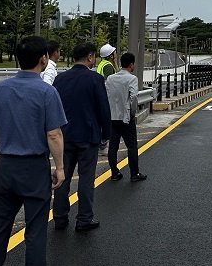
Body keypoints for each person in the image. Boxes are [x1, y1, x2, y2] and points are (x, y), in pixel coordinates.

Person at [0, 36, 66, 266]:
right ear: (43, 60)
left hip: (6, 166)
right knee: (35, 233)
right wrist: (60, 167)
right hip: (33, 169)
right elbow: (53, 134)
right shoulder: (46, 92)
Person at [52, 42, 112, 232]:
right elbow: (103, 108)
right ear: (89, 57)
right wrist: (107, 133)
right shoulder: (95, 79)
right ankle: (84, 218)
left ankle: (60, 217)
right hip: (88, 136)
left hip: (63, 136)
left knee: (63, 178)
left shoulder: (60, 80)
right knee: (86, 178)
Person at [106, 52, 148, 182]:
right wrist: (132, 112)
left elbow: (106, 96)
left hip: (112, 116)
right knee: (131, 146)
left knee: (113, 145)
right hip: (126, 117)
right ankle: (134, 173)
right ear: (131, 65)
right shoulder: (131, 78)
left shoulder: (110, 79)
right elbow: (134, 96)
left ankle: (114, 173)